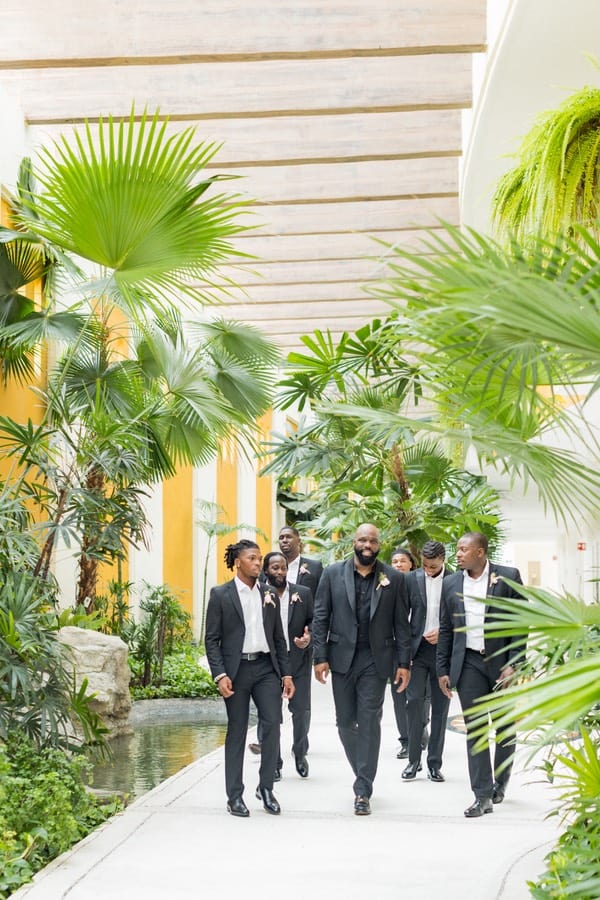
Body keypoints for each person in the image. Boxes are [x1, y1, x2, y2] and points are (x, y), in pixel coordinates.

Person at [312, 523, 411, 816]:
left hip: (376, 659)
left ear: (380, 545)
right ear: (353, 542)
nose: (367, 545)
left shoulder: (392, 578)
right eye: (362, 540)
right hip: (341, 658)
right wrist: (319, 656)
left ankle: (362, 789)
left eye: (373, 541)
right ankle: (363, 771)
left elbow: (401, 626)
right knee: (344, 723)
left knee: (369, 721)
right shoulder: (331, 575)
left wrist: (404, 663)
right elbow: (320, 617)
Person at [437, 531, 525, 818]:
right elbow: (446, 629)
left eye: (464, 549)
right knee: (475, 730)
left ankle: (501, 780)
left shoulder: (508, 576)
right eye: (458, 549)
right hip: (469, 663)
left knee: (504, 728)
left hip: (501, 664)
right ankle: (482, 795)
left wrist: (515, 662)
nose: (458, 554)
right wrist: (443, 669)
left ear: (480, 552)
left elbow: (521, 622)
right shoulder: (451, 583)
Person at [205, 539, 294, 817]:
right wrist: (220, 674)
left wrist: (287, 673)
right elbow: (212, 639)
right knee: (238, 731)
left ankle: (266, 788)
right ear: (238, 562)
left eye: (259, 559)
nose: (258, 563)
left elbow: (279, 637)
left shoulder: (268, 593)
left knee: (272, 726)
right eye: (252, 558)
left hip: (266, 668)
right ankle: (234, 796)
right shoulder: (221, 595)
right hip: (237, 671)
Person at [250, 552, 313, 779]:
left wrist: (309, 638)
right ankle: (273, 760)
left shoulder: (303, 593)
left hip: (298, 660)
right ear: (266, 571)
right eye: (274, 568)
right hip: (269, 663)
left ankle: (299, 753)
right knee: (270, 715)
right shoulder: (257, 595)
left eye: (283, 568)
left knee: (301, 711)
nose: (279, 572)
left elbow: (313, 622)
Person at [402, 540, 451, 783]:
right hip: (417, 651)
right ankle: (413, 761)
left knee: (441, 709)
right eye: (424, 565)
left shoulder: (456, 579)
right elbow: (401, 617)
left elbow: (462, 616)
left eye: (432, 566)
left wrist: (443, 632)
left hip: (443, 652)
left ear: (443, 559)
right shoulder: (411, 579)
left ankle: (434, 763)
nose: (428, 570)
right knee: (413, 703)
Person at [389, 546, 417, 758]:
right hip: (395, 650)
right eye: (395, 562)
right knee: (399, 696)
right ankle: (406, 740)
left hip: (420, 649)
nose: (398, 565)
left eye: (402, 561)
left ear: (411, 564)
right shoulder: (386, 586)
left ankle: (419, 729)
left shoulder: (421, 584)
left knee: (420, 697)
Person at [278, 525, 323, 598]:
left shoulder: (315, 567)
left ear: (298, 541)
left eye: (288, 537)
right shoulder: (270, 568)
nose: (284, 540)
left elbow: (322, 595)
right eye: (281, 538)